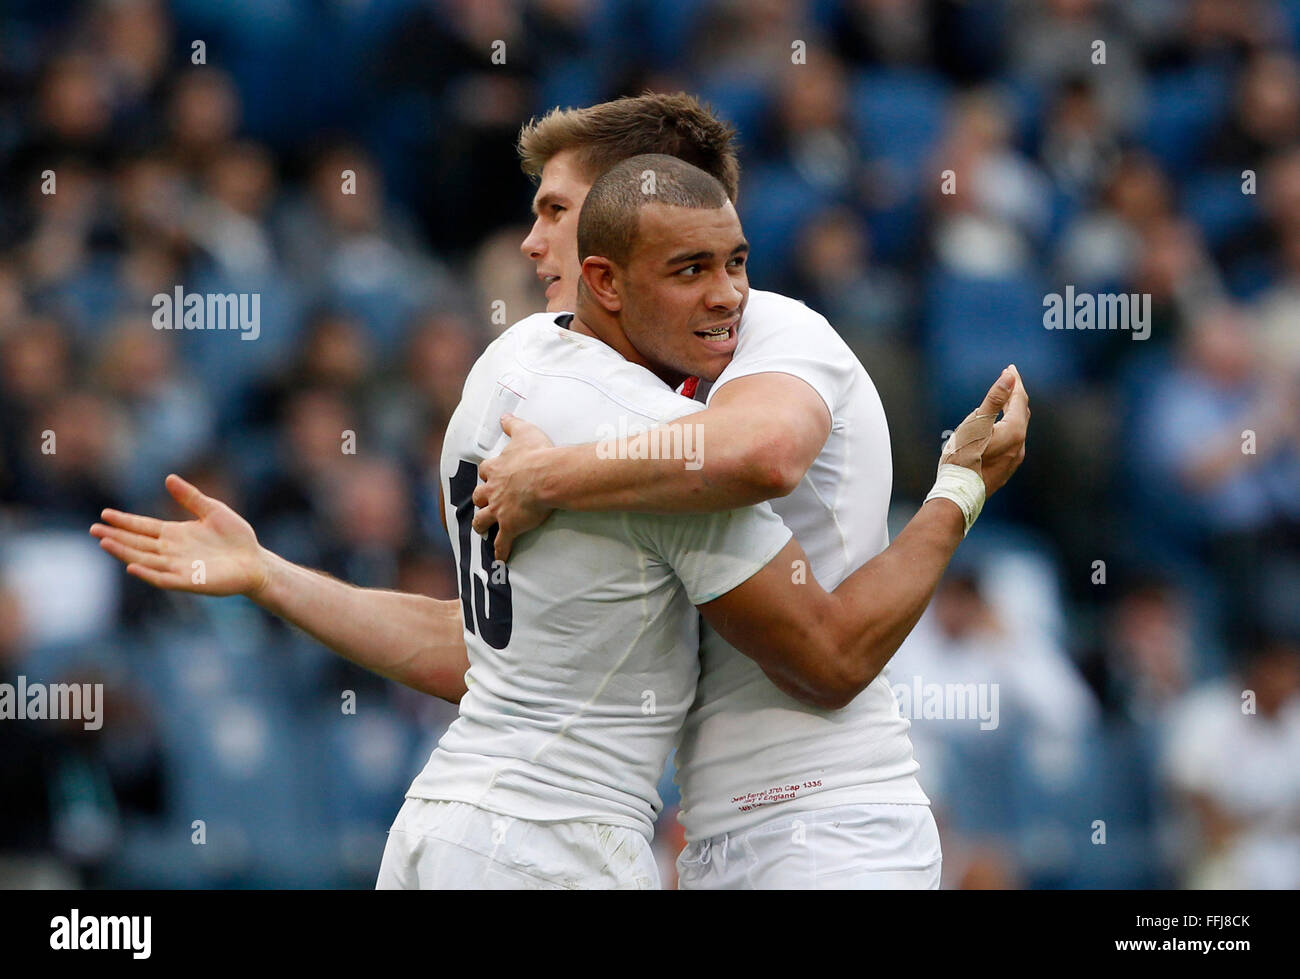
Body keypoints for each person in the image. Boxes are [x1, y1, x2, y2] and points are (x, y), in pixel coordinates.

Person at [92, 96, 1030, 888]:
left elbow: (770, 463)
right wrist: (270, 574)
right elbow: (499, 653)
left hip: (812, 827)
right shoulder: (608, 395)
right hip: (609, 840)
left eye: (557, 208)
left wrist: (556, 474)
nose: (534, 240)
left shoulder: (750, 344)